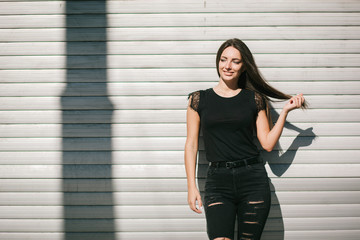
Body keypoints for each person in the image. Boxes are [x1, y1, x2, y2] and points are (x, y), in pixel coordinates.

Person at [184, 38, 306, 240]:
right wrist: (191, 187)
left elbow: (267, 144)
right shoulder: (198, 99)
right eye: (223, 60)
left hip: (253, 181)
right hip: (218, 182)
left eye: (235, 61)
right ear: (217, 62)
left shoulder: (255, 99)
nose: (228, 66)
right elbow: (191, 144)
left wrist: (284, 112)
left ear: (243, 67)